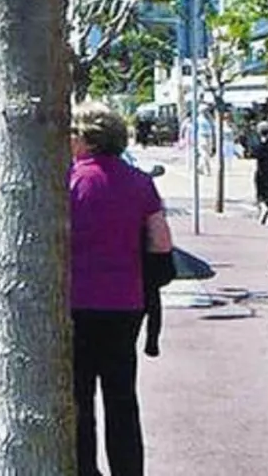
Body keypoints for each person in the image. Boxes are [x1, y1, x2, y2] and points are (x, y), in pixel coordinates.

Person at [69, 101, 174, 476]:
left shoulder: (68, 181)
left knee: (78, 399)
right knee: (121, 396)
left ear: (85, 139)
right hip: (125, 303)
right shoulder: (139, 182)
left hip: (74, 303)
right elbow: (161, 243)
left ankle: (84, 470)